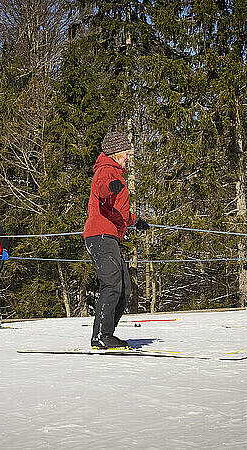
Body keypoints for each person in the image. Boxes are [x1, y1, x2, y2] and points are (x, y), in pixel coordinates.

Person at [83, 130, 150, 349]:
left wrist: (135, 220)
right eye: (127, 153)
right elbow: (101, 189)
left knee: (125, 288)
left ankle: (107, 333)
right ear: (117, 152)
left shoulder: (116, 173)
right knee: (112, 284)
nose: (129, 156)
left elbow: (117, 211)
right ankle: (101, 336)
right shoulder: (106, 170)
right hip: (99, 235)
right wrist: (109, 188)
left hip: (109, 234)